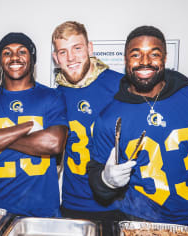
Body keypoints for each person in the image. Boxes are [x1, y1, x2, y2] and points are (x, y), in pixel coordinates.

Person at [87, 25, 188, 229]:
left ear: (165, 58)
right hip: (142, 224)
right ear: (126, 59)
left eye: (154, 54)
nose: (144, 61)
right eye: (136, 54)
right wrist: (106, 182)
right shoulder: (108, 117)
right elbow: (97, 177)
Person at [0, 32, 68, 217]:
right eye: (7, 53)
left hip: (43, 210)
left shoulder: (51, 96)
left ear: (32, 59)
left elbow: (54, 143)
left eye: (22, 51)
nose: (14, 57)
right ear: (0, 62)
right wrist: (25, 127)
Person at [51, 21, 124, 227]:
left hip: (118, 204)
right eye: (63, 52)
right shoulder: (56, 95)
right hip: (73, 204)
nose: (71, 57)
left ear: (90, 48)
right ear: (56, 58)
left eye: (77, 48)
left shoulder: (120, 86)